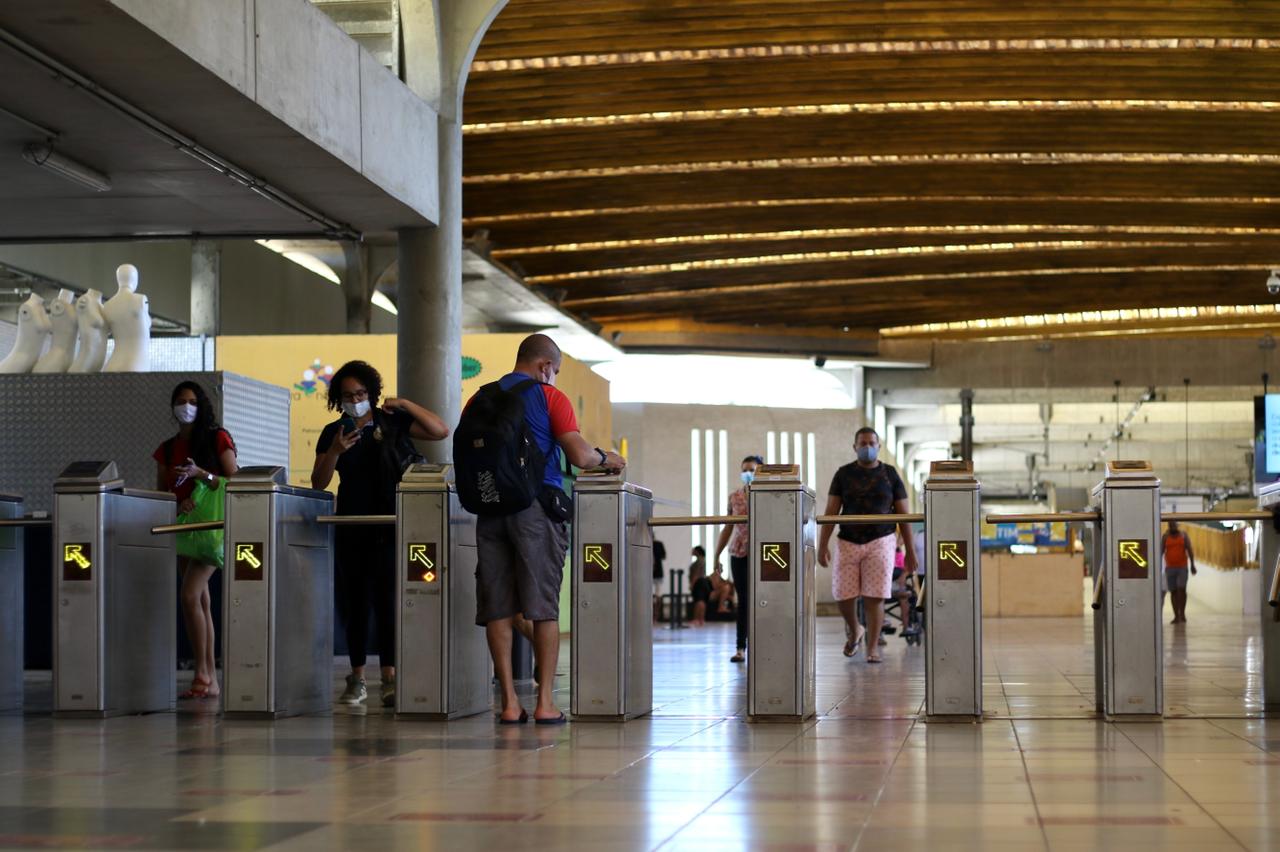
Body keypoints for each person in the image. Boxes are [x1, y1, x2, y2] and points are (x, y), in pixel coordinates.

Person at [470, 334, 625, 724]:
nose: (552, 376)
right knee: (543, 607)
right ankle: (544, 703)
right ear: (545, 367)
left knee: (498, 609)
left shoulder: (479, 397)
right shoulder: (549, 396)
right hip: (536, 509)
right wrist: (607, 457)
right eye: (554, 370)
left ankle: (508, 704)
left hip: (489, 510)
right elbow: (579, 455)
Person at [312, 360, 449, 707]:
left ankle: (390, 676)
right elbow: (319, 481)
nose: (354, 400)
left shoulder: (391, 422)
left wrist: (404, 404)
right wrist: (335, 452)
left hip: (391, 521)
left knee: (389, 599)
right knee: (355, 602)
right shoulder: (334, 432)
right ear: (337, 398)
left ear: (372, 393)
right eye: (347, 395)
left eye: (360, 393)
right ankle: (356, 677)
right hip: (352, 524)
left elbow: (439, 430)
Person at [154, 381, 238, 700]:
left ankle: (203, 672)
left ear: (201, 405)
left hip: (212, 527)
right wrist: (179, 504)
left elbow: (234, 479)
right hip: (183, 526)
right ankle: (209, 677)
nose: (185, 407)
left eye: (191, 401)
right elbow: (163, 491)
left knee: (189, 595)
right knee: (200, 600)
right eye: (179, 401)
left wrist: (202, 475)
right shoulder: (167, 448)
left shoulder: (218, 438)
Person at [818, 427, 918, 664]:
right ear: (855, 447)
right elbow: (831, 511)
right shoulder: (843, 474)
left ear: (879, 446)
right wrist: (822, 545)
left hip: (881, 541)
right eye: (862, 443)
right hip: (848, 540)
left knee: (875, 597)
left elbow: (904, 515)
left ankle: (872, 648)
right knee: (842, 594)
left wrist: (910, 552)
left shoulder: (890, 474)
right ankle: (856, 629)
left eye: (871, 443)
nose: (867, 447)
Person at [714, 455, 762, 663]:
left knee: (762, 599)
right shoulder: (734, 497)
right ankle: (740, 647)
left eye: (752, 469)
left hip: (763, 552)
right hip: (739, 552)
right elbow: (728, 526)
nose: (748, 473)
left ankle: (762, 644)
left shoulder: (768, 496)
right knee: (743, 599)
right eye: (745, 469)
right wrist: (716, 555)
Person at [1161, 520, 1197, 624]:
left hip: (1182, 567)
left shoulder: (1183, 535)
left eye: (1174, 524)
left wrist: (1192, 565)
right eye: (1171, 525)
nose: (1173, 526)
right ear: (1169, 525)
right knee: (1173, 592)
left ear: (1177, 525)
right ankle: (1176, 616)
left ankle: (1182, 614)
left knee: (1182, 590)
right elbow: (1161, 551)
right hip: (1170, 567)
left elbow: (1189, 550)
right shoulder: (1165, 537)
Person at [652, 539, 667, 621]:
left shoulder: (657, 544)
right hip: (658, 573)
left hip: (652, 573)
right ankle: (656, 616)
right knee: (658, 595)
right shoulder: (659, 544)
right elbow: (664, 556)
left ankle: (655, 615)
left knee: (657, 595)